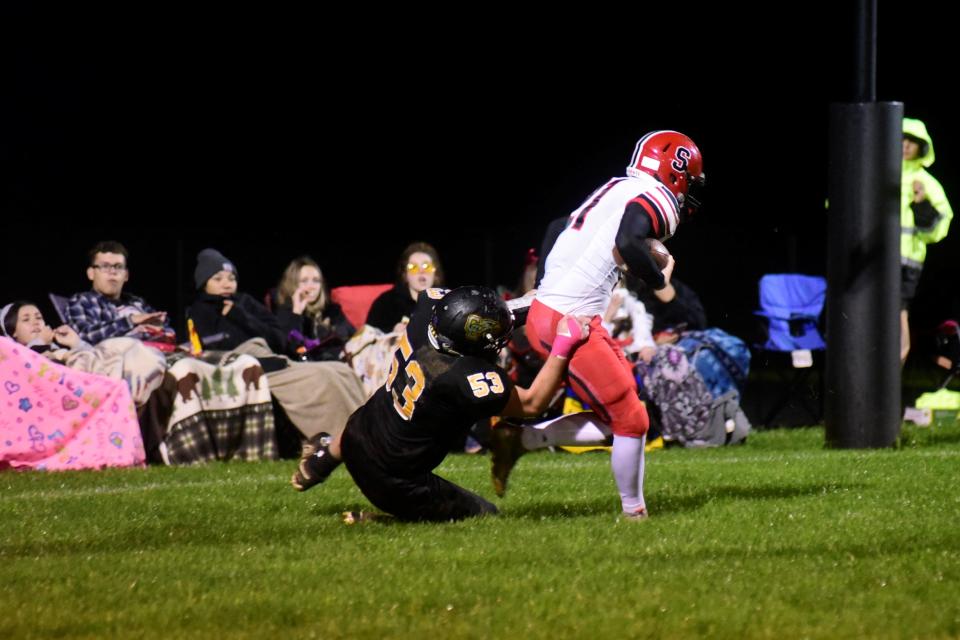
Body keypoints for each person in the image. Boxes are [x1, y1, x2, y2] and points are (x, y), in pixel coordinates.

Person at [517, 130, 705, 520]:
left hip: (557, 313)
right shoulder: (659, 197)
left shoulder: (619, 185)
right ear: (676, 172)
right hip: (570, 322)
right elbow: (629, 240)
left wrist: (546, 288)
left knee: (623, 417)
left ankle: (522, 438)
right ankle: (635, 514)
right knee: (633, 420)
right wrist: (658, 278)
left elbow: (557, 226)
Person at [290, 286, 588, 523]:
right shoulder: (461, 376)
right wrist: (564, 346)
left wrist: (532, 303)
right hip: (393, 482)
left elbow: (468, 315)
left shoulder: (426, 318)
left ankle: (321, 459)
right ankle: (385, 519)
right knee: (485, 516)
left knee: (376, 415)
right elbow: (532, 403)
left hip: (356, 434)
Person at [900, 117, 953, 364]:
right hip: (868, 259)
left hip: (905, 264)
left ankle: (888, 384)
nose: (905, 145)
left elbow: (940, 227)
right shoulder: (871, 174)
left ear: (922, 147)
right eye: (901, 139)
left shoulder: (927, 183)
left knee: (897, 318)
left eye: (912, 141)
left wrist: (921, 203)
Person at [65, 241, 175, 346]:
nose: (113, 272)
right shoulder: (82, 301)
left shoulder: (137, 302)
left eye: (118, 267)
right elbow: (84, 336)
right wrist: (131, 320)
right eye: (105, 266)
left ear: (126, 275)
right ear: (91, 273)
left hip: (158, 353)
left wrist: (161, 330)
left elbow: (167, 328)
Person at [273, 256, 354, 361]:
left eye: (316, 281)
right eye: (304, 281)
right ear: (293, 284)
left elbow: (354, 336)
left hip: (341, 362)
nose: (311, 286)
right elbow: (290, 349)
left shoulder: (332, 310)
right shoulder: (286, 312)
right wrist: (297, 312)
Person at [365, 242, 444, 334]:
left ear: (436, 274)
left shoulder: (447, 300)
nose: (421, 271)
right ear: (405, 275)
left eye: (427, 266)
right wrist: (392, 332)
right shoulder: (387, 302)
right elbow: (368, 335)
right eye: (413, 267)